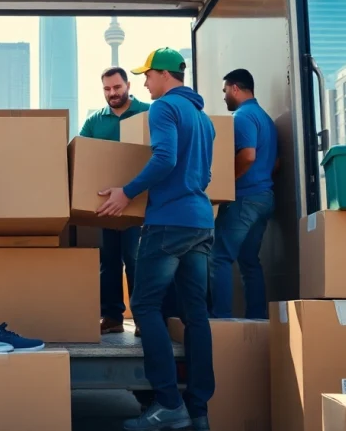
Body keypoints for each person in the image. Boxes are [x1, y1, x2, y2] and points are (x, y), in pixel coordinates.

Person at [97, 48, 215, 431]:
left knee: (146, 307)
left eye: (147, 75)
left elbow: (164, 157)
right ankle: (198, 409)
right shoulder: (203, 118)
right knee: (196, 316)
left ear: (165, 74)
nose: (144, 83)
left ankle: (168, 403)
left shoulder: (163, 109)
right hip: (200, 223)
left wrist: (126, 192)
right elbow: (206, 175)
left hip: (168, 223)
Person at [79, 66, 151, 335]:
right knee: (109, 261)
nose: (112, 93)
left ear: (128, 86)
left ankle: (143, 318)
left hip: (138, 199)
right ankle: (112, 317)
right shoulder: (95, 121)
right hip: (107, 202)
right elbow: (81, 153)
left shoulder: (147, 112)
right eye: (107, 89)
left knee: (135, 259)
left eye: (117, 88)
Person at [209, 69, 277, 319]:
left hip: (246, 198)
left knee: (219, 257)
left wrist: (227, 182)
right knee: (249, 262)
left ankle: (221, 319)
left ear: (235, 88)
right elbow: (275, 162)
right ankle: (257, 320)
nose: (224, 96)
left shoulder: (242, 117)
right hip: (264, 197)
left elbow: (248, 155)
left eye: (225, 91)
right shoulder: (265, 119)